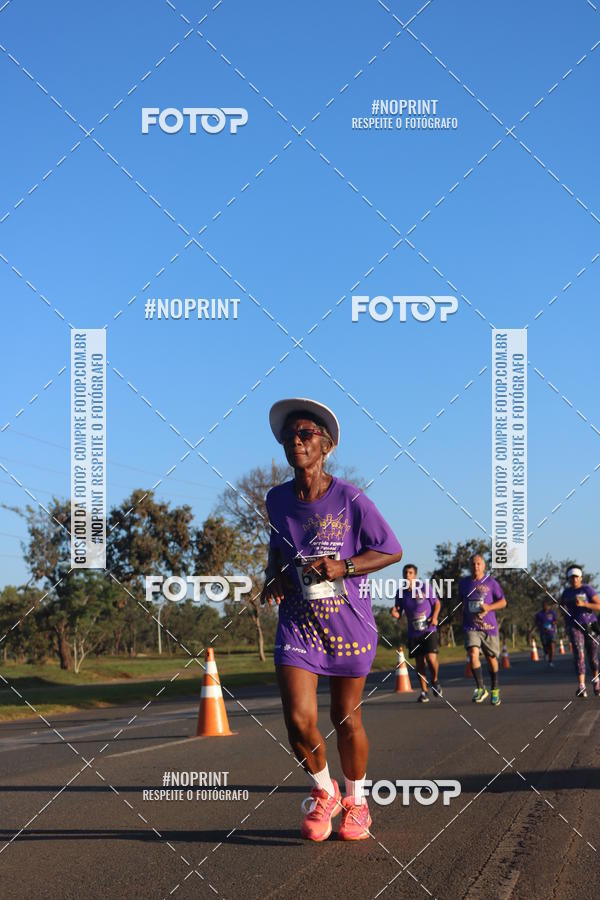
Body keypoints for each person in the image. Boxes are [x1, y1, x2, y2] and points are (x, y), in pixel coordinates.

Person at [261, 397, 403, 842]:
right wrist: (274, 577)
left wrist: (346, 567)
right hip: (299, 622)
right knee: (298, 718)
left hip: (347, 621)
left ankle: (357, 801)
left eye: (306, 435)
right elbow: (277, 547)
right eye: (290, 436)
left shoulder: (352, 499)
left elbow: (391, 549)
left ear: (326, 446)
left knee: (345, 718)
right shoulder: (277, 498)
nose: (296, 442)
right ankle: (325, 792)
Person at [459, 554, 507, 706]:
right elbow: (461, 602)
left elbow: (503, 602)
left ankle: (495, 689)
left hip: (489, 627)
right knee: (473, 653)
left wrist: (489, 607)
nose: (476, 566)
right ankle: (480, 687)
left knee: (491, 659)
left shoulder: (491, 582)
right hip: (471, 626)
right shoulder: (464, 583)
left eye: (479, 563)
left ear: (484, 565)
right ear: (469, 566)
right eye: (473, 564)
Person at [392, 563, 442, 702]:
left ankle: (435, 680)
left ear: (415, 575)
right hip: (414, 633)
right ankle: (424, 692)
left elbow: (437, 603)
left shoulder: (425, 587)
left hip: (429, 629)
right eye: (405, 573)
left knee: (431, 659)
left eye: (410, 573)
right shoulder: (401, 593)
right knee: (419, 663)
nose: (408, 575)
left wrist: (435, 617)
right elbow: (398, 612)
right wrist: (394, 612)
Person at [560, 565, 600, 698]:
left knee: (592, 657)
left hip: (590, 626)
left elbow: (598, 606)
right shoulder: (566, 592)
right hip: (574, 626)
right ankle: (582, 686)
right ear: (568, 579)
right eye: (571, 577)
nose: (574, 579)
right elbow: (562, 606)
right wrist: (564, 612)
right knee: (579, 654)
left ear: (581, 577)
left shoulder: (587, 589)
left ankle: (596, 681)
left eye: (576, 577)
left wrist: (585, 605)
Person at [534, 599, 558, 666]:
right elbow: (536, 622)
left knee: (552, 647)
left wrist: (554, 622)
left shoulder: (552, 613)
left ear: (549, 606)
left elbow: (556, 620)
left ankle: (551, 661)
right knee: (546, 647)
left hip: (551, 632)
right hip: (543, 633)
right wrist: (540, 626)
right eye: (544, 606)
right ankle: (546, 653)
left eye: (547, 605)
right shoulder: (539, 614)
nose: (545, 607)